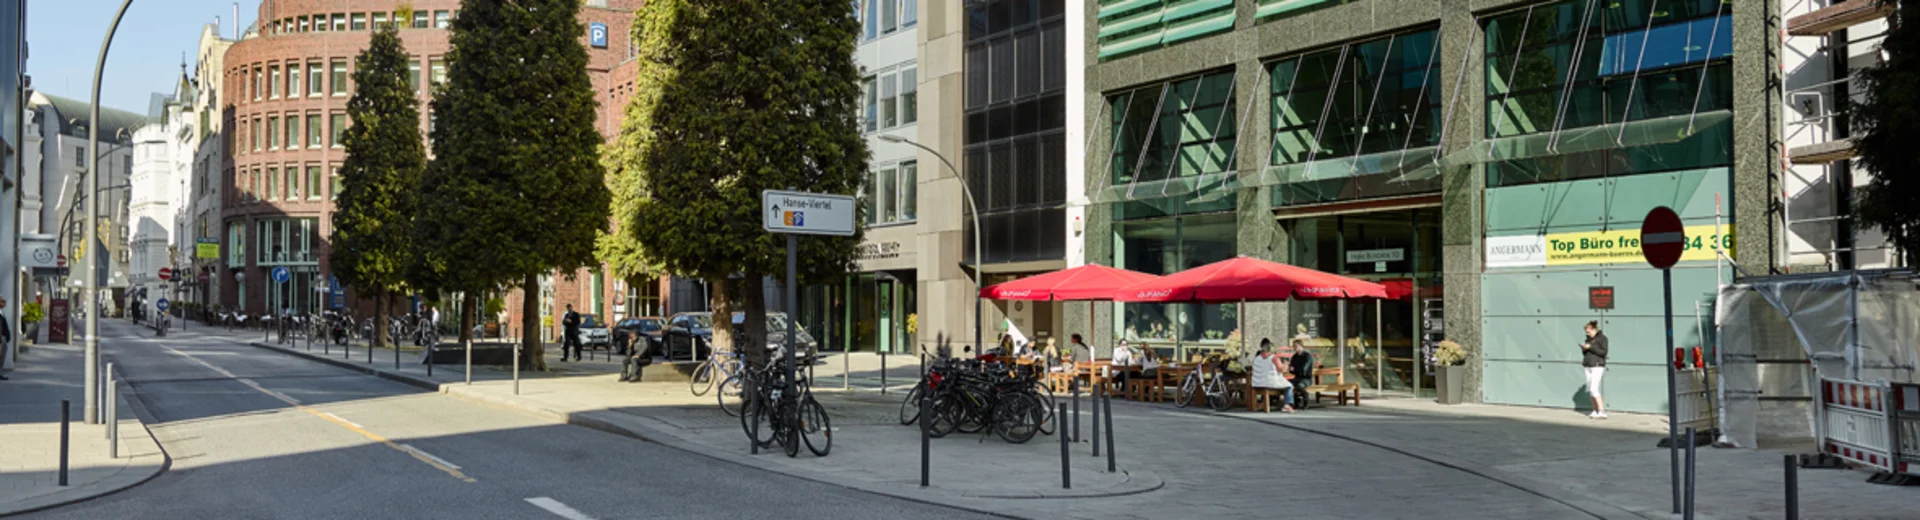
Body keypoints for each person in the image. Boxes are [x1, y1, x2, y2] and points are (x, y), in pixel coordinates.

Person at [1250, 338, 1295, 413]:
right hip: (1270, 382)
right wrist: (1286, 365)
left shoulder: (1257, 358)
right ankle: (1287, 405)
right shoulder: (1274, 358)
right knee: (1289, 386)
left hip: (1257, 382)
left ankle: (1260, 405)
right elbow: (1281, 369)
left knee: (1286, 384)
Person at [1581, 321, 1609, 419]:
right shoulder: (1588, 339)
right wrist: (1584, 349)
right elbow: (1586, 353)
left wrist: (1591, 347)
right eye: (1587, 332)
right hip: (1588, 365)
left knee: (1594, 388)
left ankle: (1602, 411)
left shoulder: (1602, 339)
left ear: (1594, 329)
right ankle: (1595, 410)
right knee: (1590, 390)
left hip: (1597, 365)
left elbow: (1603, 352)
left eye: (1589, 332)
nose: (1588, 334)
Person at [0, 298, 11, 380]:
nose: (4, 304)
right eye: (3, 302)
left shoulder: (1, 313)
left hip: (3, 338)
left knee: (2, 356)